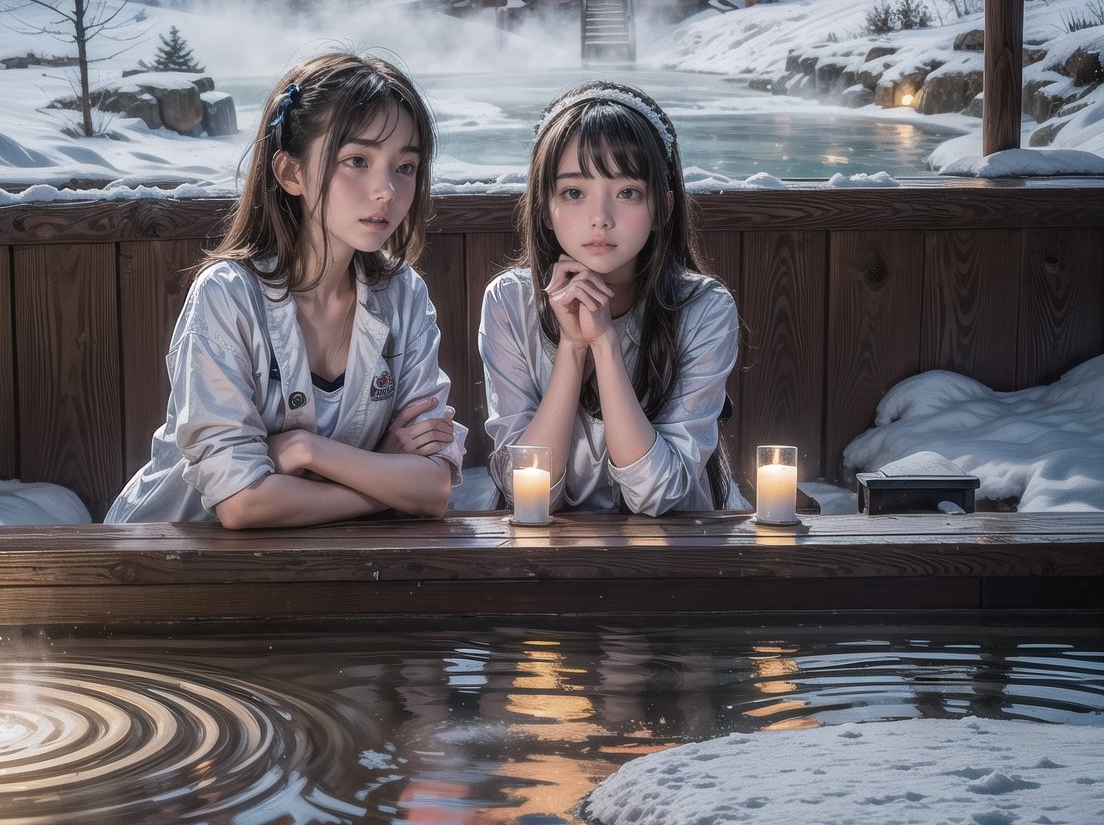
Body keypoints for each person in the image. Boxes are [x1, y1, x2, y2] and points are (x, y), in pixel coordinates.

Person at [107, 51, 465, 527]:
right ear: (290, 173)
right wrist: (384, 481)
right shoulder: (227, 295)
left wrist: (306, 450)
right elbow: (242, 503)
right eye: (357, 160)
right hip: (168, 564)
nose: (387, 190)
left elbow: (434, 486)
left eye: (405, 166)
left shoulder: (403, 295)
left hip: (312, 570)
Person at [478, 81, 742, 515]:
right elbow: (531, 494)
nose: (600, 219)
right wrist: (572, 346)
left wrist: (605, 347)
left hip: (683, 555)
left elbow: (656, 496)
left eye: (627, 192)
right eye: (574, 193)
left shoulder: (705, 308)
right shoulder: (510, 301)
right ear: (545, 207)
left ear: (664, 208)